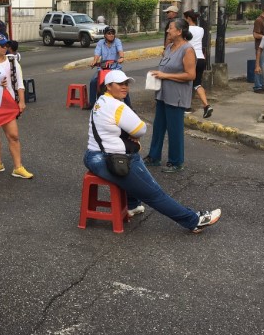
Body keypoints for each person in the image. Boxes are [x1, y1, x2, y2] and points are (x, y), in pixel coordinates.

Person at [84, 70, 222, 233]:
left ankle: (133, 204)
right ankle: (193, 221)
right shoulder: (117, 106)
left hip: (92, 156)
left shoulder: (101, 101)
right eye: (120, 84)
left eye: (126, 84)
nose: (124, 87)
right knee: (155, 194)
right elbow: (140, 129)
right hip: (109, 160)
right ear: (108, 86)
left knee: (134, 155)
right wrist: (132, 135)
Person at [145, 18, 196, 173]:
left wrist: (165, 76)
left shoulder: (187, 50)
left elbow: (190, 75)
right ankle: (154, 157)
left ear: (179, 32)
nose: (168, 31)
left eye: (171, 28)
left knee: (175, 130)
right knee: (158, 127)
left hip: (177, 95)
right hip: (163, 94)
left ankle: (176, 161)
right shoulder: (169, 47)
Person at [0, 33, 33, 179]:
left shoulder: (12, 62)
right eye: (2, 45)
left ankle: (18, 167)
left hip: (8, 104)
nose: (5, 47)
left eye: (7, 45)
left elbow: (19, 83)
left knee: (13, 135)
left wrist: (22, 101)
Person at [88, 27, 128, 109]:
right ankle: (92, 104)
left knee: (123, 83)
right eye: (109, 33)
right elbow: (97, 54)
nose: (111, 35)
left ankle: (129, 105)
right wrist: (94, 61)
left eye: (113, 33)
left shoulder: (117, 41)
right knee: (93, 82)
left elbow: (120, 51)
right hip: (103, 69)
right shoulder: (100, 43)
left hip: (115, 68)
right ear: (105, 35)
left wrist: (121, 57)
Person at [183, 10, 213, 118]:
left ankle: (186, 107)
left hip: (190, 58)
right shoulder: (201, 30)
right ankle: (206, 105)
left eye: (185, 18)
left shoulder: (185, 30)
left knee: (186, 82)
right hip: (200, 58)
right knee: (197, 83)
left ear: (188, 19)